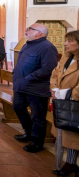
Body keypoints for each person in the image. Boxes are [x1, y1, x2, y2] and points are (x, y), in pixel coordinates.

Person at [12, 23, 59, 153]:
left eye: (30, 29)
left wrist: (29, 77)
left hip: (36, 88)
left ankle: (37, 142)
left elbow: (48, 68)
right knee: (17, 107)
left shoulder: (47, 47)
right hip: (21, 86)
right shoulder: (28, 44)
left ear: (39, 33)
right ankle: (29, 132)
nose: (26, 30)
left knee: (37, 116)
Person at [49, 31, 79, 177]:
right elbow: (55, 73)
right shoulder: (67, 57)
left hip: (74, 100)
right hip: (63, 100)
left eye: (69, 41)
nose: (65, 44)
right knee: (69, 132)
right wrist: (55, 90)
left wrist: (66, 94)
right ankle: (71, 163)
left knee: (76, 134)